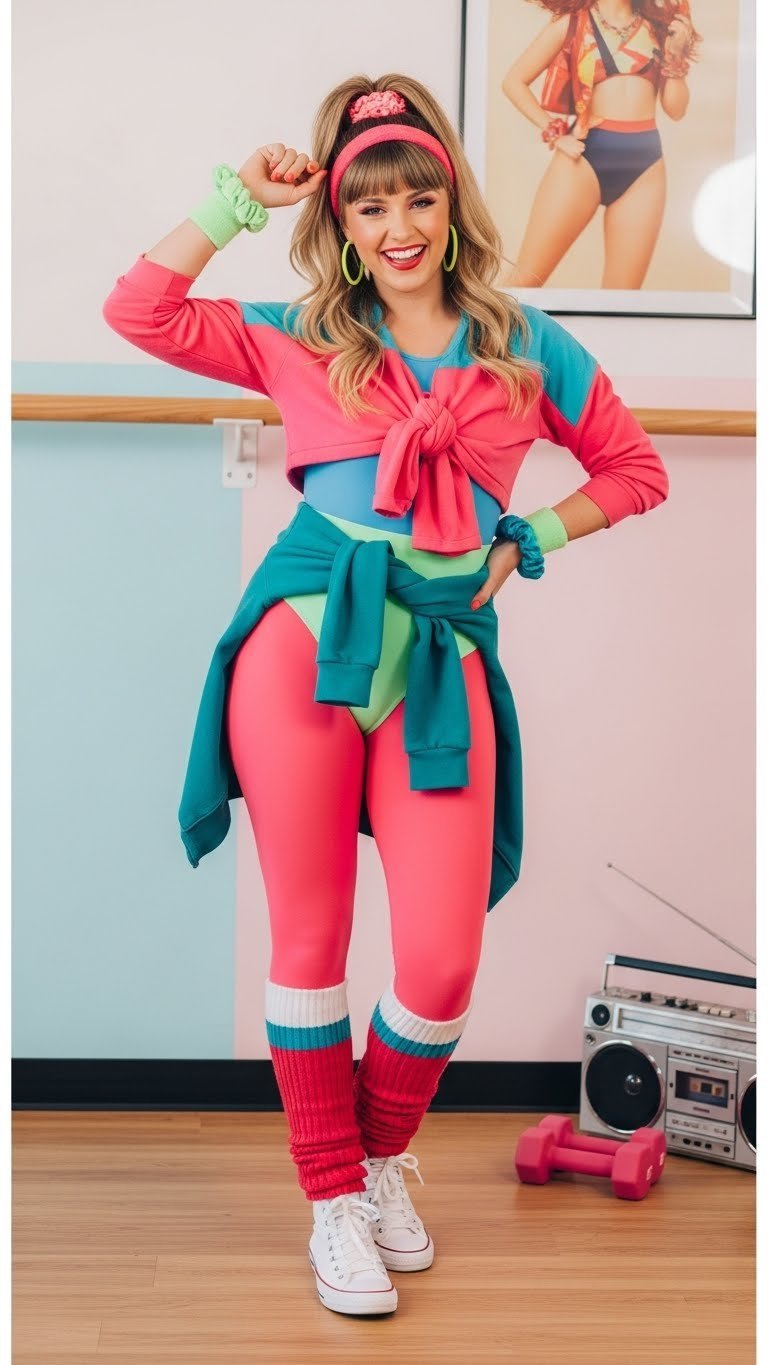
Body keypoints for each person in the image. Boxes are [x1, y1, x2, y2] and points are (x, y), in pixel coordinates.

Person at [102, 73, 669, 1318]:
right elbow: (138, 307)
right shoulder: (304, 333)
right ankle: (335, 1202)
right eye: (371, 209)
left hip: (442, 656)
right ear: (343, 225)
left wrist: (530, 540)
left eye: (418, 195)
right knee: (309, 942)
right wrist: (231, 202)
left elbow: (633, 469)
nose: (398, 225)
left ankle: (375, 1157)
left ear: (453, 203)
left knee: (441, 961)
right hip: (301, 643)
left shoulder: (526, 348)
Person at [501, 0, 701, 289]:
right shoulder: (571, 24)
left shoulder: (659, 28)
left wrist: (675, 57)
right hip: (584, 158)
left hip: (646, 167)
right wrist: (554, 132)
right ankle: (486, 336)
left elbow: (676, 110)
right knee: (524, 282)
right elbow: (513, 81)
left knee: (623, 300)